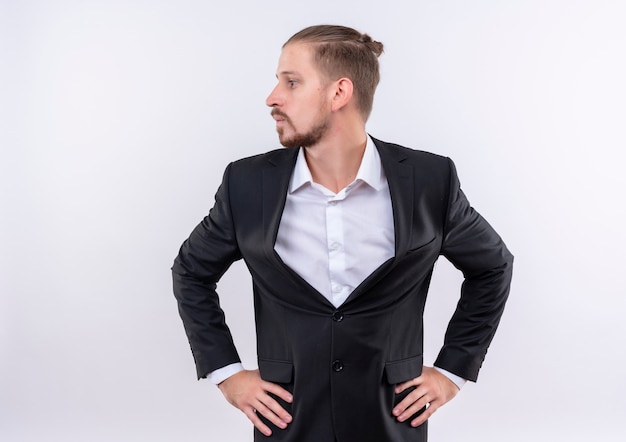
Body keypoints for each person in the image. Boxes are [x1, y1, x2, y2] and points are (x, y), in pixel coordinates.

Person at [172, 24, 513, 442]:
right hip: (286, 422)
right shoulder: (246, 183)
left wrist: (452, 371)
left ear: (339, 93)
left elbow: (493, 267)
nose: (272, 98)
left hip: (392, 422)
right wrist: (226, 373)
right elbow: (191, 271)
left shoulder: (429, 180)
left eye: (291, 82)